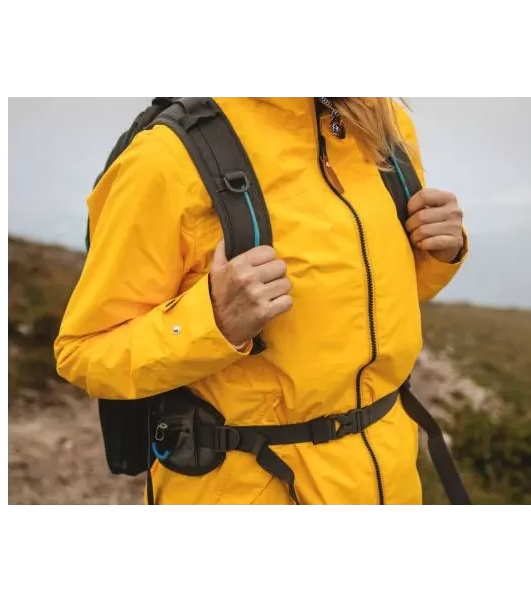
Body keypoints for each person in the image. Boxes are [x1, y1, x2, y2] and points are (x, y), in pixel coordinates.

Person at [54, 97, 468, 504]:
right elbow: (84, 352)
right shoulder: (166, 158)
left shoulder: (382, 125)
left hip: (390, 477)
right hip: (247, 487)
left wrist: (439, 252)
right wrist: (213, 323)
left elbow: (366, 306)